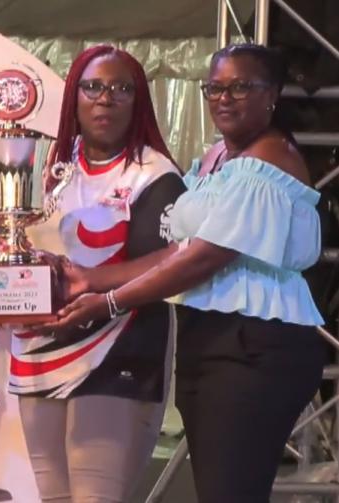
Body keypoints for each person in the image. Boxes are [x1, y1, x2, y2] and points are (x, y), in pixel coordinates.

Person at [49, 43, 326, 503]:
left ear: (272, 94)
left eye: (241, 87)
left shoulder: (270, 160)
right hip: (210, 338)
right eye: (215, 88)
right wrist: (90, 279)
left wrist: (110, 302)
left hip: (257, 343)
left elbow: (202, 258)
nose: (225, 98)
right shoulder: (216, 158)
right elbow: (179, 251)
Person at [0, 45, 186, 502]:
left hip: (117, 352)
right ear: (73, 96)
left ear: (139, 102)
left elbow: (173, 261)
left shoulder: (154, 174)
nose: (106, 98)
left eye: (122, 89)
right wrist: (7, 256)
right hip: (39, 350)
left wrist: (91, 283)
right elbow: (21, 248)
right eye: (93, 87)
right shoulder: (49, 168)